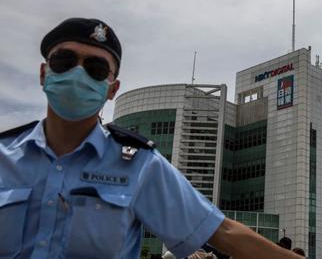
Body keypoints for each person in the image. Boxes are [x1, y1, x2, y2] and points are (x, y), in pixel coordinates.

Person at [0, 18, 302, 259]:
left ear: (111, 89)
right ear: (44, 73)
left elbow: (220, 231)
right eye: (64, 62)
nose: (78, 74)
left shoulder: (138, 164)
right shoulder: (4, 156)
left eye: (95, 69)